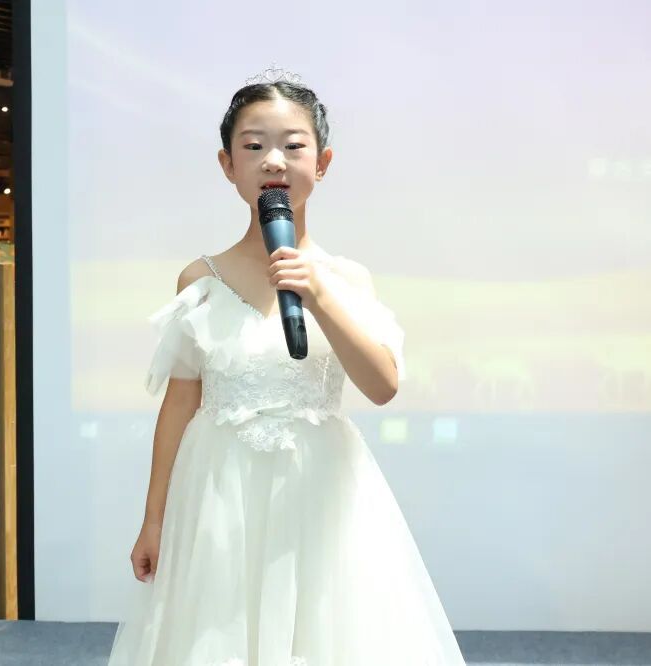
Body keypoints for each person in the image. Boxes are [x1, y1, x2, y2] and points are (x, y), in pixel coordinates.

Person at [108, 67, 467, 666]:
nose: (273, 160)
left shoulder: (347, 279)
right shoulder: (200, 280)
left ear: (321, 163)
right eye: (253, 146)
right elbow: (179, 405)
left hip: (319, 488)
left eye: (293, 146)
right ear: (228, 165)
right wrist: (153, 520)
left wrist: (318, 294)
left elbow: (382, 386)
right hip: (218, 489)